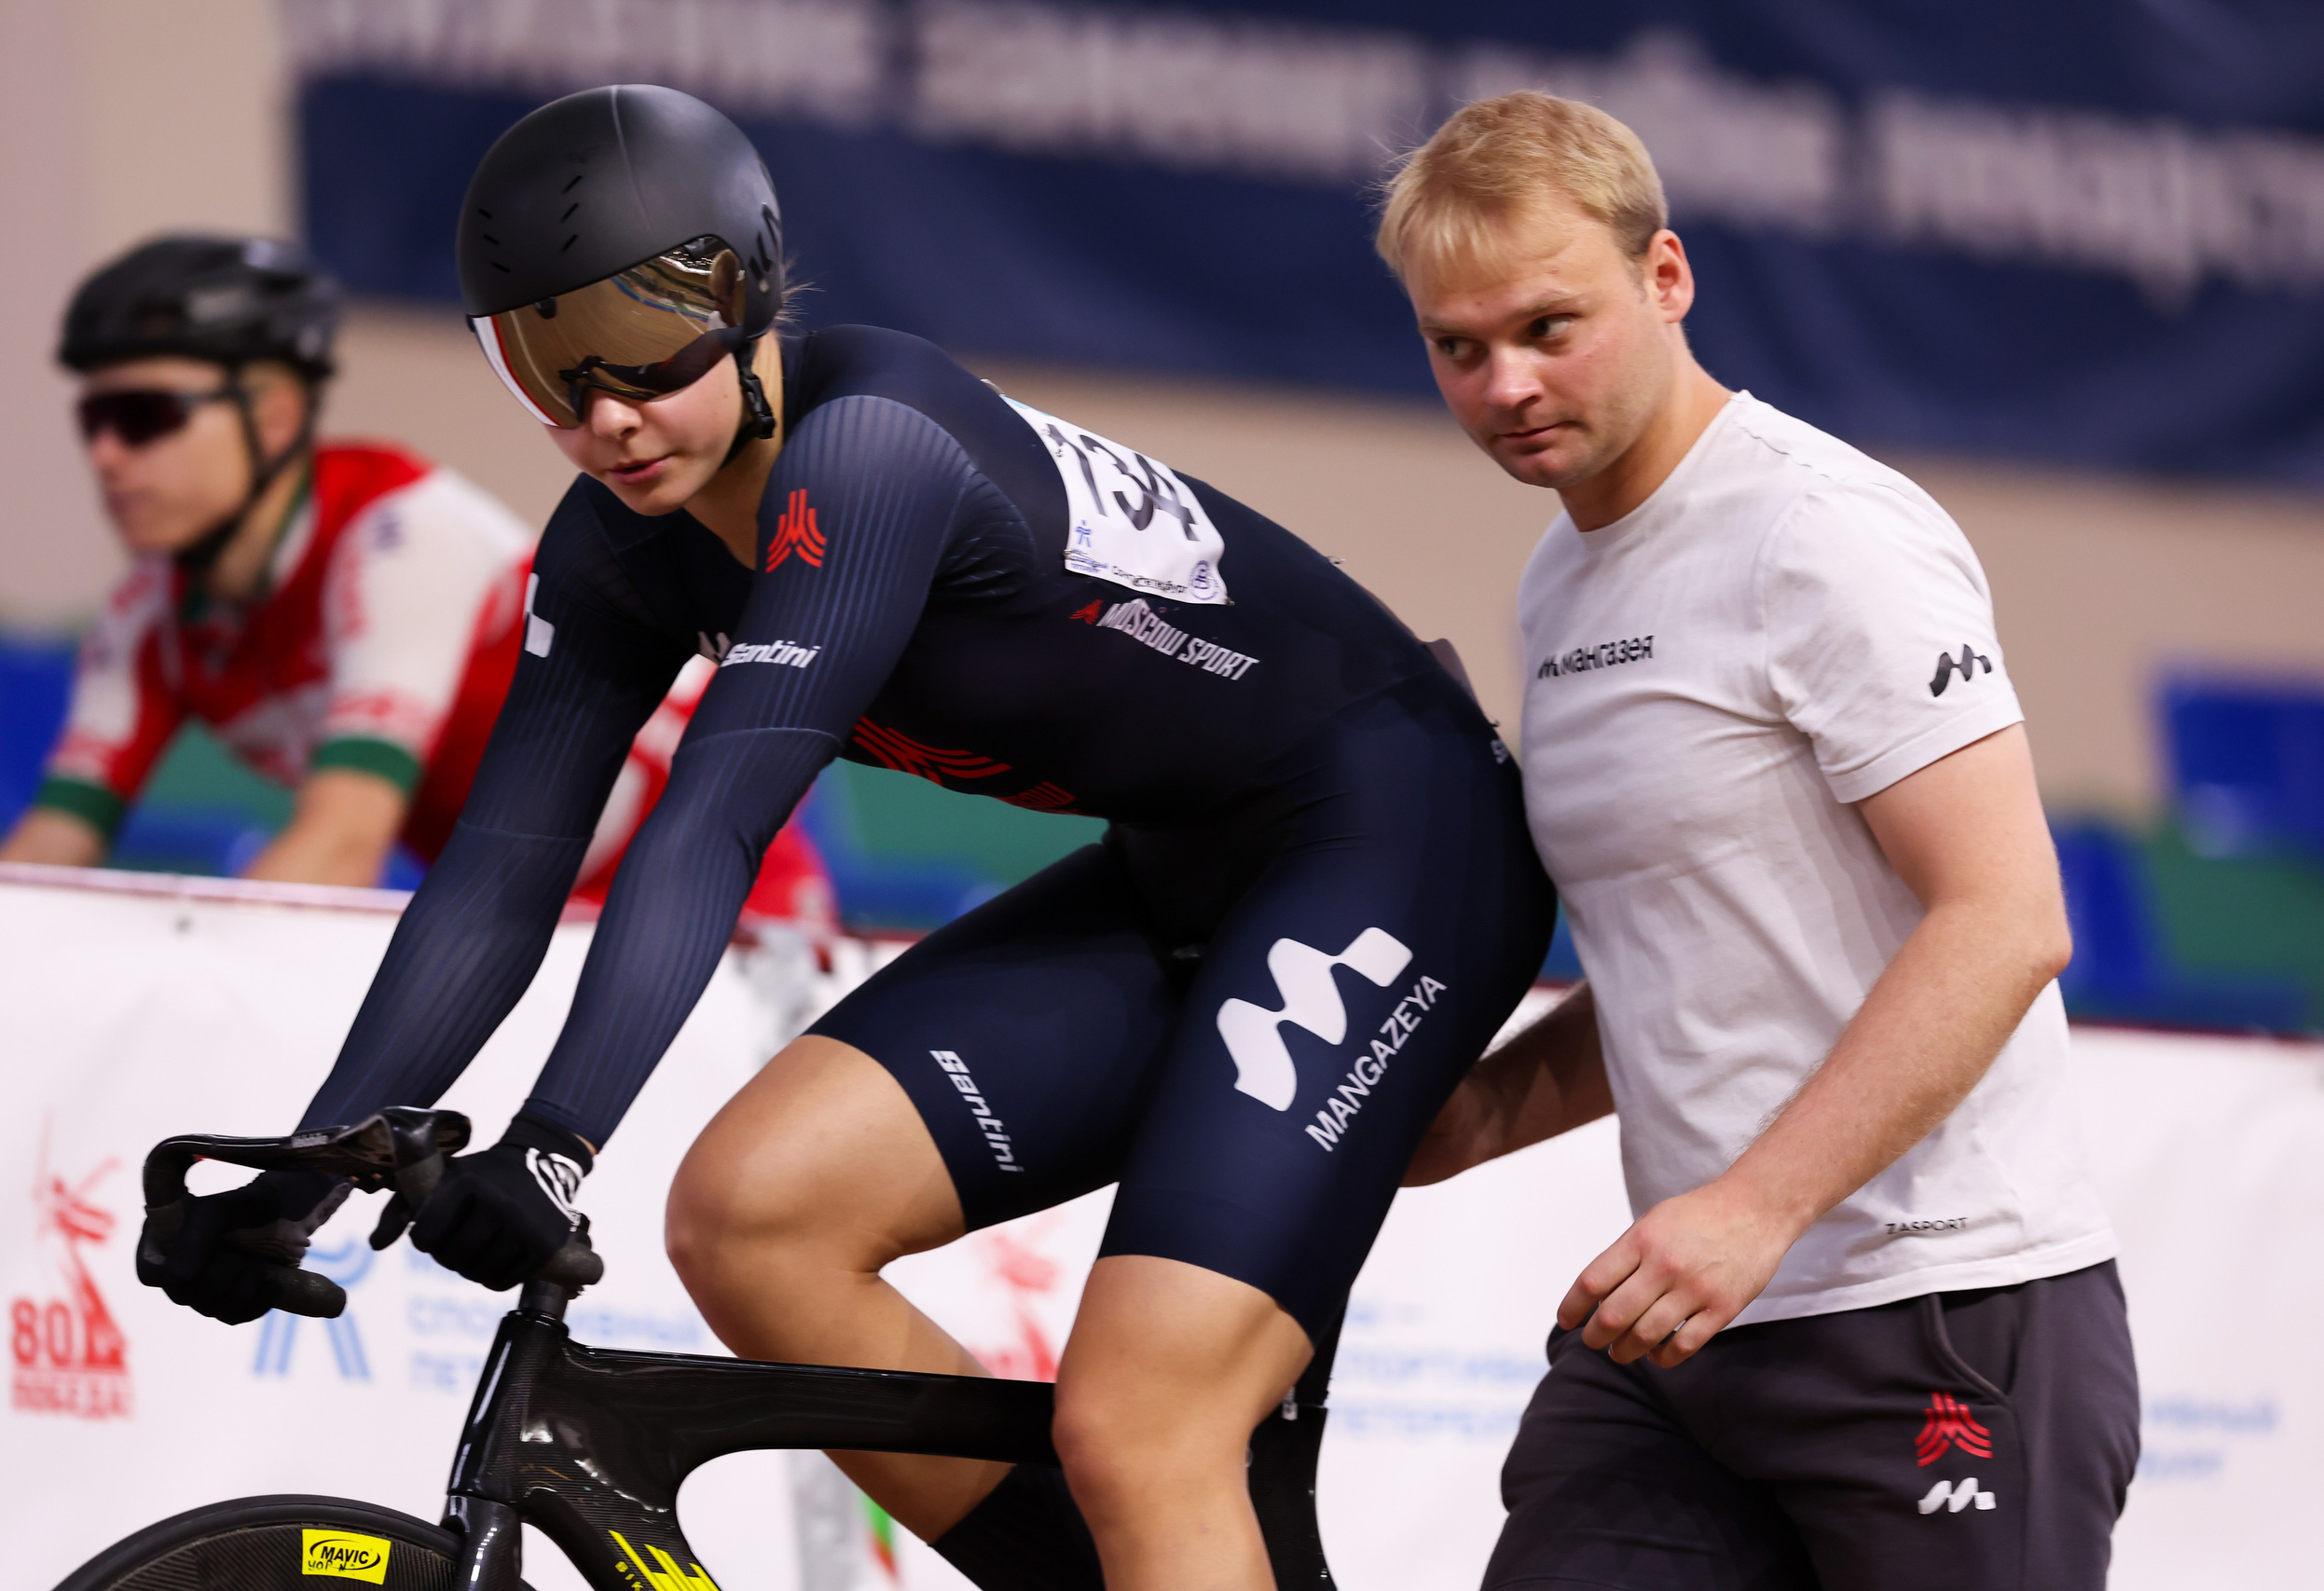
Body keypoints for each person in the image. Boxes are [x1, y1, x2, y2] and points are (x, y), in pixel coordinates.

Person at [133, 85, 1551, 1591]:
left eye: (643, 339)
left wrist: (552, 1148)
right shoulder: (614, 541)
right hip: (1190, 865)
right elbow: (498, 873)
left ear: (748, 292)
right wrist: (307, 1170)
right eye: (546, 359)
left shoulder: (868, 449)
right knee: (752, 1218)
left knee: (1146, 1424)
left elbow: (713, 822)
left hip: (1395, 835)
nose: (605, 409)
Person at [1384, 94, 2138, 1589]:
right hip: (1685, 1330)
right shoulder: (1562, 571)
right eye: (1458, 346)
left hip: (1941, 1311)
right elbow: (1704, 965)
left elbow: (2005, 917)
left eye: (1550, 325)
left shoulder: (1821, 531)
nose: (1506, 385)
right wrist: (1470, 1117)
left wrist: (1751, 1207)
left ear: (1667, 276)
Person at [0, 234, 830, 909]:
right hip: (536, 916)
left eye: (143, 417)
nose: (105, 455)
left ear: (276, 414)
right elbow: (38, 870)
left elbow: (336, 851)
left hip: (722, 892)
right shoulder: (148, 611)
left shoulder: (401, 538)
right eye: (94, 420)